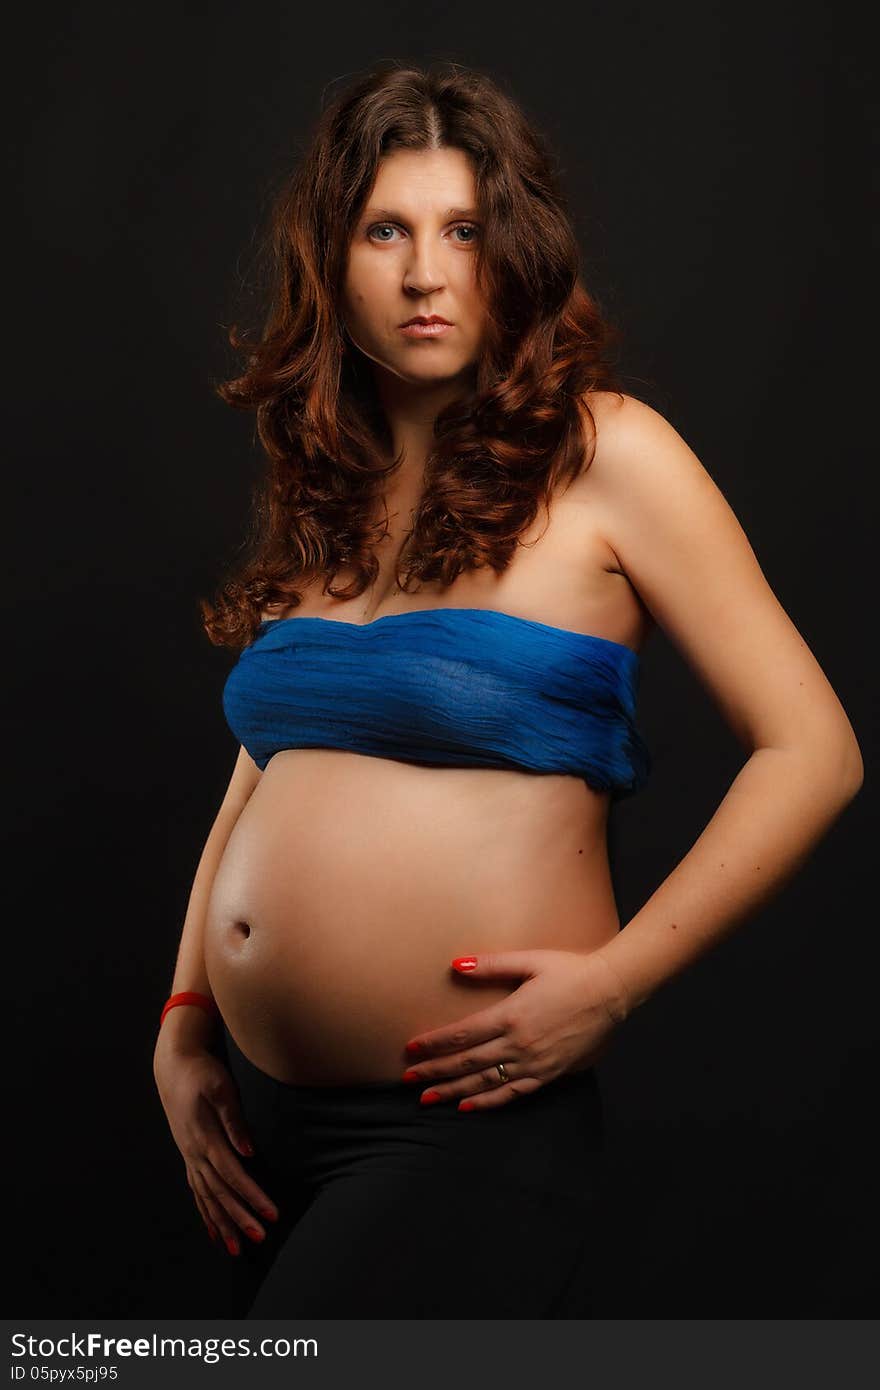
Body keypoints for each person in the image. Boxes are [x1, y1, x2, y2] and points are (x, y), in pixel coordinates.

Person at [152, 61, 864, 1319]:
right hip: (261, 1133)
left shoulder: (608, 454)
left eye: (464, 229)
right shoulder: (324, 492)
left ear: (513, 250)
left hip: (458, 1126)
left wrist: (617, 980)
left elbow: (813, 748)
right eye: (386, 229)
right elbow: (265, 766)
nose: (427, 273)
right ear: (332, 259)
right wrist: (187, 1012)